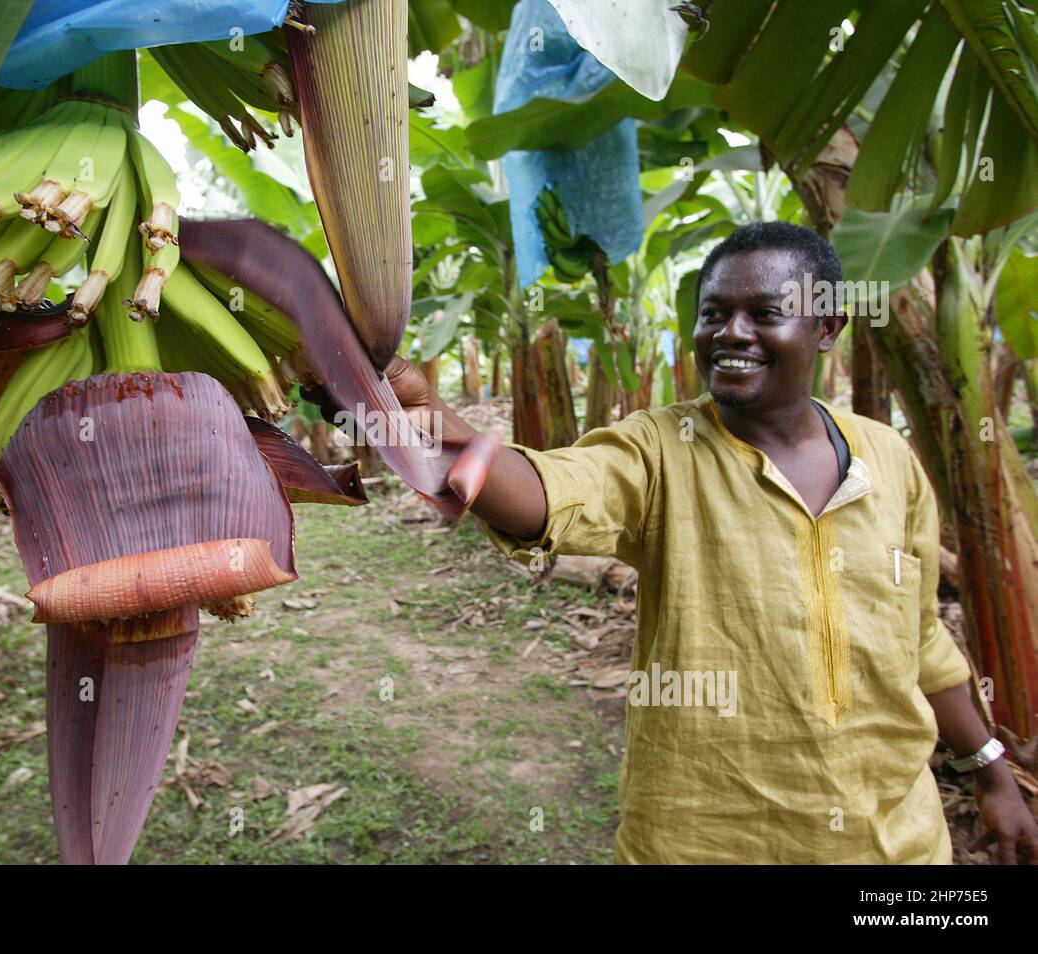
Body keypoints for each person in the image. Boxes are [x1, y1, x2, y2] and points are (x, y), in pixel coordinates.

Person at [365, 222, 1037, 864]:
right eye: (713, 314)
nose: (730, 333)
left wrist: (989, 769)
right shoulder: (660, 448)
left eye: (764, 313)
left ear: (827, 327)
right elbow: (545, 491)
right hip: (704, 838)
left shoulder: (888, 459)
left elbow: (920, 640)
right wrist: (421, 410)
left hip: (894, 842)